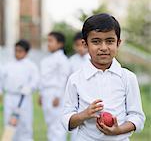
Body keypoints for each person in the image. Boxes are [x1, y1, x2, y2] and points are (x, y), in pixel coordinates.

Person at [62, 13, 145, 141]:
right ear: (85, 44)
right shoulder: (75, 79)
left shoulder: (128, 77)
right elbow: (67, 119)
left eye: (110, 41)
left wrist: (119, 130)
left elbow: (137, 117)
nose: (103, 48)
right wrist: (85, 114)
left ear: (118, 43)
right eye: (96, 42)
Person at [1, 39, 39, 141]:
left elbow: (35, 81)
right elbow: (1, 80)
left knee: (25, 124)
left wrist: (30, 88)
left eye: (20, 51)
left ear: (26, 52)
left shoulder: (31, 66)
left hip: (24, 98)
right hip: (9, 97)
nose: (17, 53)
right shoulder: (8, 65)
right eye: (16, 50)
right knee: (9, 123)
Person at [39, 32, 70, 141]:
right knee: (49, 123)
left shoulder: (62, 59)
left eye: (51, 41)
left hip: (56, 94)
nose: (48, 44)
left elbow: (63, 78)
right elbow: (43, 78)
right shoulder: (47, 59)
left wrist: (57, 96)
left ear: (60, 44)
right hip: (46, 93)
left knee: (57, 124)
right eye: (47, 41)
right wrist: (41, 94)